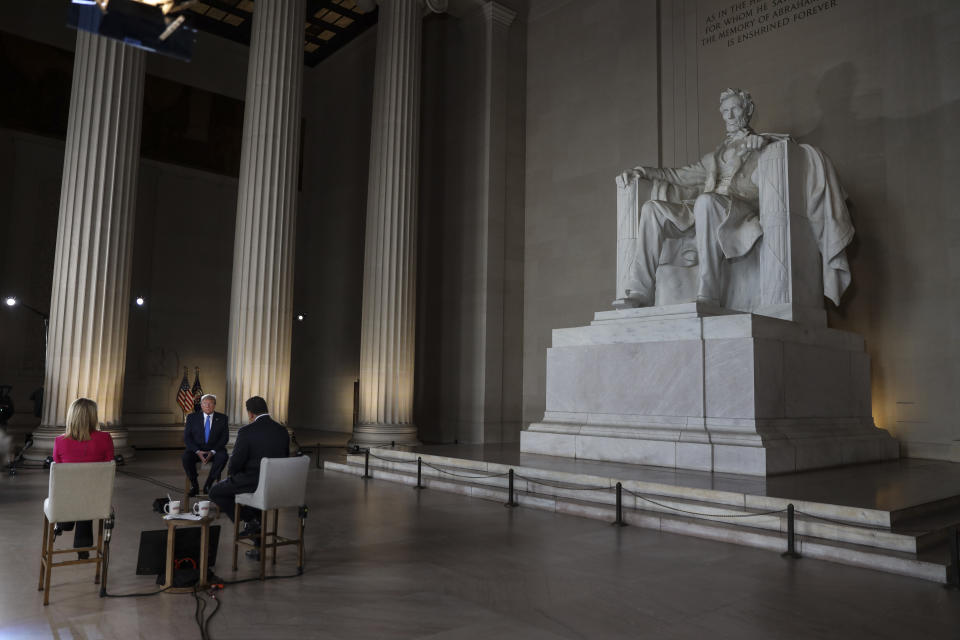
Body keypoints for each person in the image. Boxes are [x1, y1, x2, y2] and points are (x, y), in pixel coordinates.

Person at [618, 88, 779, 306]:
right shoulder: (714, 157)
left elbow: (785, 147)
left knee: (706, 201)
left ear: (748, 109)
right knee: (652, 209)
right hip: (706, 208)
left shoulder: (764, 144)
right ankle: (640, 292)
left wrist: (763, 143)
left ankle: (709, 292)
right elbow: (679, 175)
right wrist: (643, 172)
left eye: (734, 108)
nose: (729, 115)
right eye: (724, 110)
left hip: (739, 209)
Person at [208, 395, 288, 558]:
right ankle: (257, 544)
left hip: (252, 482)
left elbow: (236, 462)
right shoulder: (282, 430)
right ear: (266, 410)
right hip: (276, 484)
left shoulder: (246, 431)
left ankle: (249, 521)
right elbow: (284, 458)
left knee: (215, 492)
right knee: (253, 503)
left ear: (250, 414)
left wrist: (233, 475)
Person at [52, 398, 115, 559]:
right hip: (94, 497)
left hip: (66, 498)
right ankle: (83, 545)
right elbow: (109, 466)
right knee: (86, 494)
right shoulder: (105, 438)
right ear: (93, 416)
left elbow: (59, 475)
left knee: (74, 491)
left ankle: (63, 522)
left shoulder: (59, 441)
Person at [182, 393, 229, 496]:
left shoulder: (223, 418)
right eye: (205, 403)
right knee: (186, 457)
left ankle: (208, 485)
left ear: (214, 405)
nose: (207, 406)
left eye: (210, 404)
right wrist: (198, 451)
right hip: (196, 450)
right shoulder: (191, 417)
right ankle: (194, 485)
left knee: (223, 456)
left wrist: (212, 452)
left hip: (214, 450)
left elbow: (224, 438)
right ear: (201, 405)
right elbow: (187, 438)